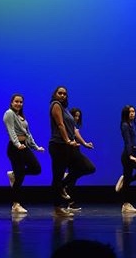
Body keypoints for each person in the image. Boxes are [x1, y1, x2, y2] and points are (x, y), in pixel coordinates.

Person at [48, 85, 95, 217]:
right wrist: (68, 140)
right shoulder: (55, 104)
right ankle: (57, 209)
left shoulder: (65, 109)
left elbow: (74, 129)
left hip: (69, 146)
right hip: (58, 145)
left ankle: (62, 185)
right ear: (55, 94)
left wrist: (84, 143)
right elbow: (60, 125)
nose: (62, 95)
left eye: (64, 94)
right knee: (57, 176)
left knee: (88, 167)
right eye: (60, 93)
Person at [3, 92, 45, 214]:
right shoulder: (9, 113)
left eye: (21, 102)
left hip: (24, 146)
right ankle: (16, 205)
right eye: (16, 101)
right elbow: (11, 131)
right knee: (20, 177)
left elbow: (28, 134)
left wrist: (36, 147)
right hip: (15, 148)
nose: (18, 104)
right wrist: (17, 144)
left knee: (36, 169)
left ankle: (14, 174)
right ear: (12, 102)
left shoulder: (20, 116)